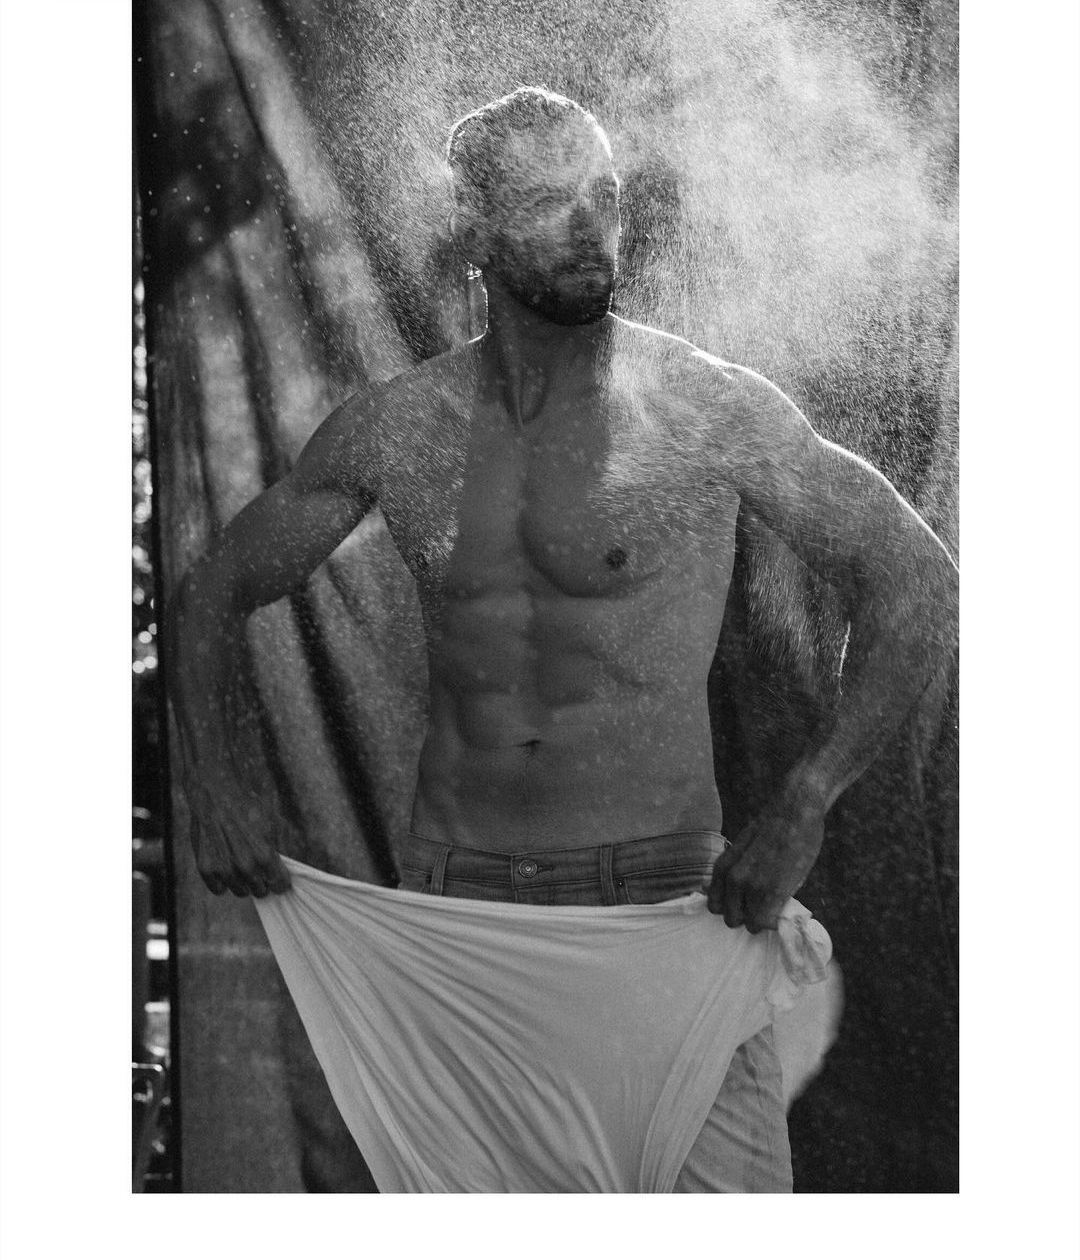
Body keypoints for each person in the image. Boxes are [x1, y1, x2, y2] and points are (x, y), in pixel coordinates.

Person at [167, 86, 959, 1192]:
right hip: (465, 910)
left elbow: (917, 579)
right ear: (480, 229)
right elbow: (210, 591)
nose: (591, 227)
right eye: (550, 202)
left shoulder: (700, 408)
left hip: (667, 905)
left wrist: (808, 797)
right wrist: (217, 785)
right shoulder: (399, 427)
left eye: (605, 196)